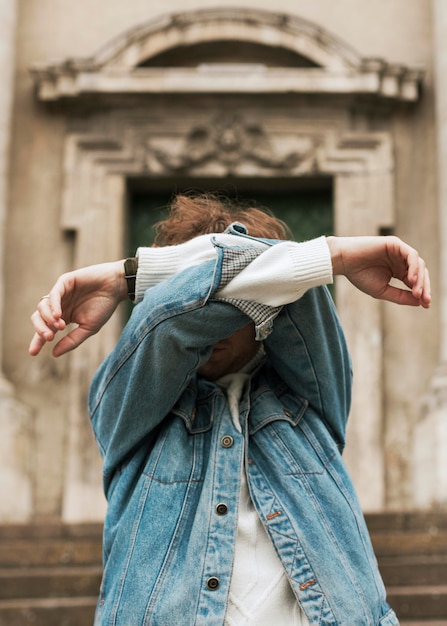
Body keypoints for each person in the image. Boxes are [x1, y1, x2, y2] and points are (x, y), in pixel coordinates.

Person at [29, 193, 430, 626]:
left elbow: (294, 295)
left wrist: (128, 276)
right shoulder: (129, 404)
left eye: (238, 299)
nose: (209, 322)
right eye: (178, 290)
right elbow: (173, 321)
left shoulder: (310, 395)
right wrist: (331, 255)